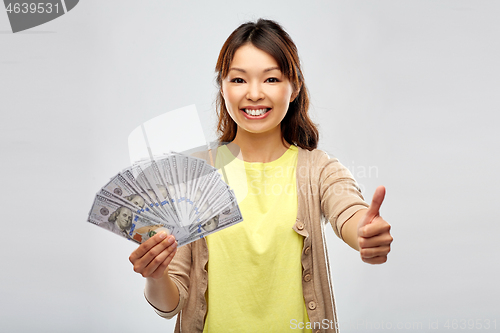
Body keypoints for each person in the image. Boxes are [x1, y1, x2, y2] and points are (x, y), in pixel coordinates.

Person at [129, 19, 393, 333]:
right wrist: (155, 275)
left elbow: (348, 210)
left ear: (293, 87)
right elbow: (168, 306)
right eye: (239, 80)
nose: (254, 94)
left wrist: (365, 232)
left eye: (270, 79)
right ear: (223, 87)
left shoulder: (320, 169)